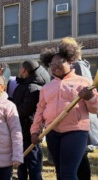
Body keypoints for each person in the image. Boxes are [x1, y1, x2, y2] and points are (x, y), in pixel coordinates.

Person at [31, 47, 98, 180]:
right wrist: (35, 131)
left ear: (70, 62)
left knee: (68, 174)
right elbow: (40, 111)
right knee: (60, 173)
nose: (55, 67)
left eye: (59, 62)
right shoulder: (47, 87)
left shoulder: (83, 82)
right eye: (52, 65)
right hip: (52, 132)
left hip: (75, 132)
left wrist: (90, 97)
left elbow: (95, 109)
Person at [59, 37, 98, 180]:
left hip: (80, 121)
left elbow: (87, 91)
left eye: (61, 47)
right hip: (71, 121)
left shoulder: (79, 66)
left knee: (80, 158)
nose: (59, 50)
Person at [11, 60, 50, 180]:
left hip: (29, 130)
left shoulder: (32, 87)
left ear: (24, 70)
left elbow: (24, 109)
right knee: (21, 162)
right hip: (20, 129)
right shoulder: (25, 85)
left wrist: (10, 108)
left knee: (33, 162)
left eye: (20, 69)